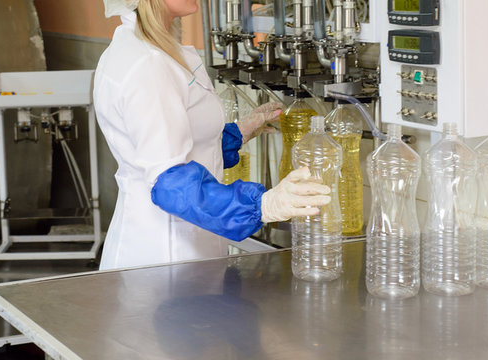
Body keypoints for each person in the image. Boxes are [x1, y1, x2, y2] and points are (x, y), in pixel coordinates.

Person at [94, 0, 332, 270]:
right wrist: (262, 205)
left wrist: (237, 134)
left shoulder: (146, 47)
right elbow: (170, 182)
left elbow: (172, 143)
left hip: (182, 247)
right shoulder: (149, 65)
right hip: (165, 257)